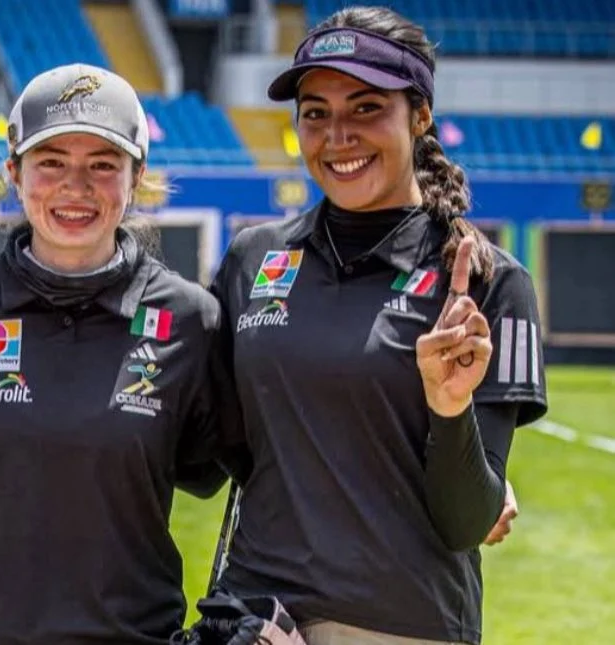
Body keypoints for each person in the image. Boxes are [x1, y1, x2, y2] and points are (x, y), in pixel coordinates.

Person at [208, 7, 548, 645]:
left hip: (403, 626)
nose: (337, 135)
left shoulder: (490, 285)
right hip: (258, 622)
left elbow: (465, 521)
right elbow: (203, 447)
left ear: (419, 116)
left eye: (366, 108)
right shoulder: (251, 260)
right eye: (316, 112)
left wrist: (449, 410)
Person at [0, 63, 235, 645]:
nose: (75, 187)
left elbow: (206, 474)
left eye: (102, 165)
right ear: (14, 172)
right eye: (51, 162)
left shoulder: (190, 320)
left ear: (136, 178)